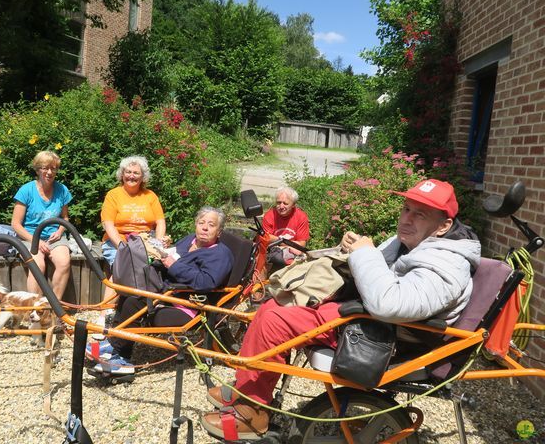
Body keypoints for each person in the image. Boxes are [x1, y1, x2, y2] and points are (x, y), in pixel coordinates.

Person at [200, 179, 481, 439]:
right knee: (276, 304)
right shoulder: (414, 243)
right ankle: (249, 389)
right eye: (406, 209)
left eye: (420, 214)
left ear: (443, 226)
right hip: (366, 321)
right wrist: (352, 250)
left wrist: (365, 253)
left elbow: (389, 303)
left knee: (274, 319)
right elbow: (375, 275)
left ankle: (253, 412)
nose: (406, 218)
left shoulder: (447, 264)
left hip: (383, 338)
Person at [88, 206, 234, 378]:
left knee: (136, 301)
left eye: (211, 225)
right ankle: (114, 344)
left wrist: (173, 265)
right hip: (168, 294)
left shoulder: (219, 254)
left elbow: (206, 282)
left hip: (188, 306)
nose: (204, 227)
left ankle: (120, 355)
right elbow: (173, 256)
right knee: (129, 291)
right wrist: (162, 250)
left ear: (219, 231)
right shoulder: (190, 241)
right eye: (201, 222)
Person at [97, 156, 167, 327]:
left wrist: (158, 242)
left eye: (136, 173)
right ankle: (105, 312)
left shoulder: (150, 196)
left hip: (145, 240)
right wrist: (122, 246)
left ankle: (152, 310)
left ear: (143, 177)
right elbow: (108, 224)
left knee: (161, 265)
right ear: (122, 174)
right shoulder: (113, 195)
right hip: (119, 239)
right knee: (122, 268)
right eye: (128, 172)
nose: (132, 176)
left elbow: (160, 221)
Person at [11, 151, 72, 299]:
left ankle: (55, 309)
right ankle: (35, 310)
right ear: (38, 169)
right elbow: (16, 224)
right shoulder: (26, 190)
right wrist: (35, 241)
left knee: (64, 262)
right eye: (45, 168)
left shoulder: (62, 189)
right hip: (30, 237)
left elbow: (65, 218)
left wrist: (60, 230)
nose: (49, 172)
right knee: (38, 266)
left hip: (54, 238)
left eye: (53, 168)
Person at [262, 187, 310, 271]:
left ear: (293, 204)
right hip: (273, 256)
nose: (281, 206)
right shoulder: (269, 215)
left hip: (293, 259)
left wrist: (277, 240)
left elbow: (302, 245)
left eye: (285, 203)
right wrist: (291, 244)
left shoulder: (301, 216)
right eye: (278, 202)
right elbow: (266, 239)